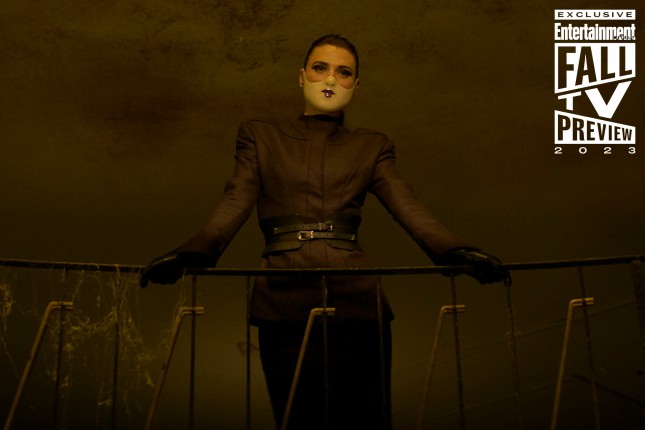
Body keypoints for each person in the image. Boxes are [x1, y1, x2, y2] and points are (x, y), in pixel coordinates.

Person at [140, 34, 509, 430]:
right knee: (298, 418)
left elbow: (408, 206)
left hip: (358, 299)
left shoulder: (371, 146)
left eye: (344, 72)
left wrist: (454, 252)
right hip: (282, 296)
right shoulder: (261, 135)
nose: (331, 79)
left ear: (355, 85)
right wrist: (192, 255)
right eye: (320, 68)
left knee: (367, 420)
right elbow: (235, 200)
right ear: (301, 76)